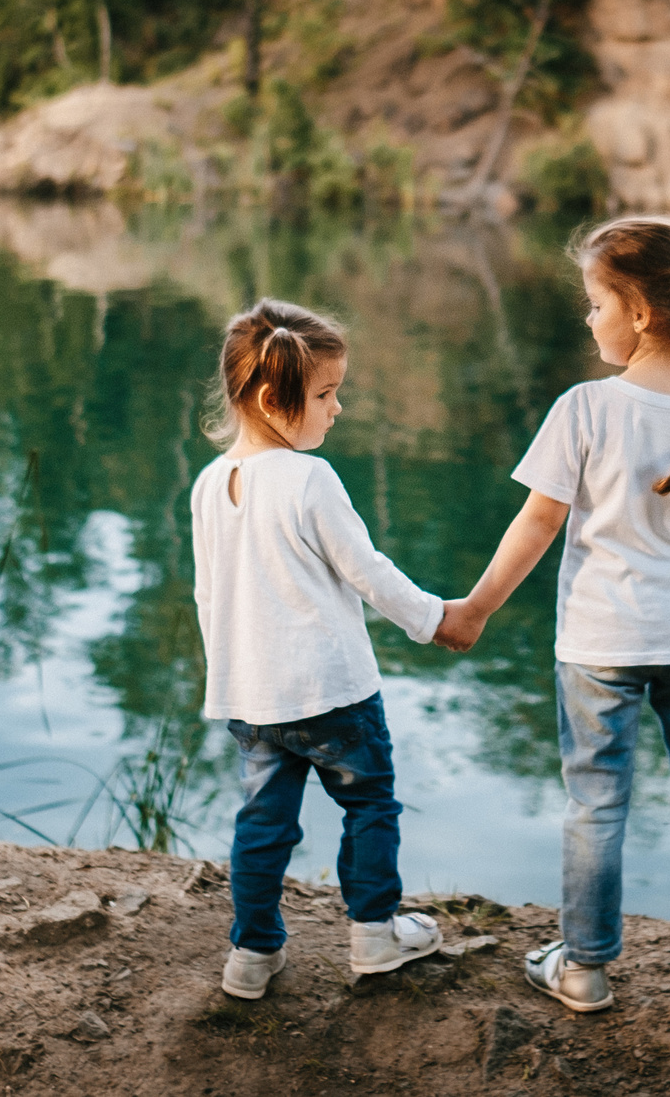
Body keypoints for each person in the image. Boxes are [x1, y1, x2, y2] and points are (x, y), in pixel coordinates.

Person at [434, 218, 670, 1013]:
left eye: (595, 303)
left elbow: (538, 523)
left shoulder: (585, 409)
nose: (589, 319)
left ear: (641, 313)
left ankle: (584, 965)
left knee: (596, 800)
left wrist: (477, 605)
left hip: (598, 647)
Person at [191, 297, 474, 999]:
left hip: (252, 697)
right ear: (268, 397)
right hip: (333, 692)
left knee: (263, 822)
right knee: (369, 803)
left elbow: (209, 596)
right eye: (324, 394)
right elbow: (368, 571)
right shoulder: (310, 478)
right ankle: (375, 935)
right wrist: (436, 618)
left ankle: (252, 953)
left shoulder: (208, 484)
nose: (336, 408)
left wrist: (228, 676)